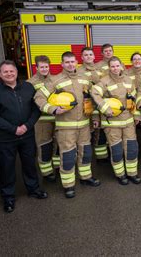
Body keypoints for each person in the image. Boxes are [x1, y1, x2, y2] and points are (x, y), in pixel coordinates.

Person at [0, 60, 47, 213]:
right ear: (0, 74)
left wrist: (27, 126)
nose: (9, 74)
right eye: (5, 72)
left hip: (27, 135)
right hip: (6, 138)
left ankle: (33, 189)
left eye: (11, 71)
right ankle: (8, 197)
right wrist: (13, 129)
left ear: (16, 72)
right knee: (7, 168)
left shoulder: (28, 87)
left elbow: (36, 110)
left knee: (29, 164)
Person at [35, 52, 101, 199]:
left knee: (86, 153)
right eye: (67, 62)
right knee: (68, 156)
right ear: (62, 64)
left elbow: (92, 99)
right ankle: (68, 185)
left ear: (77, 62)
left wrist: (95, 116)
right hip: (65, 127)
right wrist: (53, 109)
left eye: (72, 61)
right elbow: (39, 97)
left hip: (84, 125)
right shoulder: (55, 80)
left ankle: (85, 177)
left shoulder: (85, 79)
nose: (70, 64)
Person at [91, 56, 141, 185]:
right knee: (117, 150)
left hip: (128, 121)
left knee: (131, 148)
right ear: (109, 67)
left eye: (117, 66)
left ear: (121, 66)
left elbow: (134, 99)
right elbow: (94, 93)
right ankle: (120, 175)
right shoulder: (104, 81)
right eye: (112, 66)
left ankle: (132, 173)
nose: (115, 68)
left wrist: (136, 115)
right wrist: (105, 108)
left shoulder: (128, 80)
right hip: (112, 123)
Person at [26, 55, 59, 182]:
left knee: (58, 144)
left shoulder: (56, 79)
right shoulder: (30, 83)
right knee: (44, 145)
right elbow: (28, 103)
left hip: (56, 117)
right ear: (36, 67)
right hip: (41, 119)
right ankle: (47, 172)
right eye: (42, 67)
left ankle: (57, 167)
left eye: (46, 66)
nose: (44, 69)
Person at [77, 47, 108, 162]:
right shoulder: (78, 72)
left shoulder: (101, 70)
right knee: (86, 133)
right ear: (82, 57)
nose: (88, 56)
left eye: (90, 54)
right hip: (85, 107)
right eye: (86, 55)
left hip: (99, 105)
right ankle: (87, 158)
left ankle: (101, 158)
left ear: (94, 56)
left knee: (101, 131)